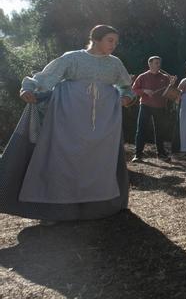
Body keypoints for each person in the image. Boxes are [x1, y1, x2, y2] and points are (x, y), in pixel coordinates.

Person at [0, 25, 133, 221]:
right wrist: (28, 88)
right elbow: (46, 77)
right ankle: (54, 211)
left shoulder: (114, 64)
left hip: (104, 124)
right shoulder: (72, 58)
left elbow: (125, 86)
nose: (114, 45)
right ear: (96, 39)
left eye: (116, 42)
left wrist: (126, 97)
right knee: (63, 160)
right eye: (110, 40)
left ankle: (96, 208)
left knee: (98, 163)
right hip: (68, 119)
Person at [132, 56, 177, 161]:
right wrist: (144, 91)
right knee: (141, 130)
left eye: (159, 63)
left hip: (160, 107)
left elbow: (170, 92)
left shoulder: (165, 77)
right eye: (156, 63)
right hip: (145, 106)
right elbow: (134, 89)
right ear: (150, 64)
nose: (158, 65)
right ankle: (138, 155)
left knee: (160, 131)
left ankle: (161, 154)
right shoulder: (142, 77)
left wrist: (172, 84)